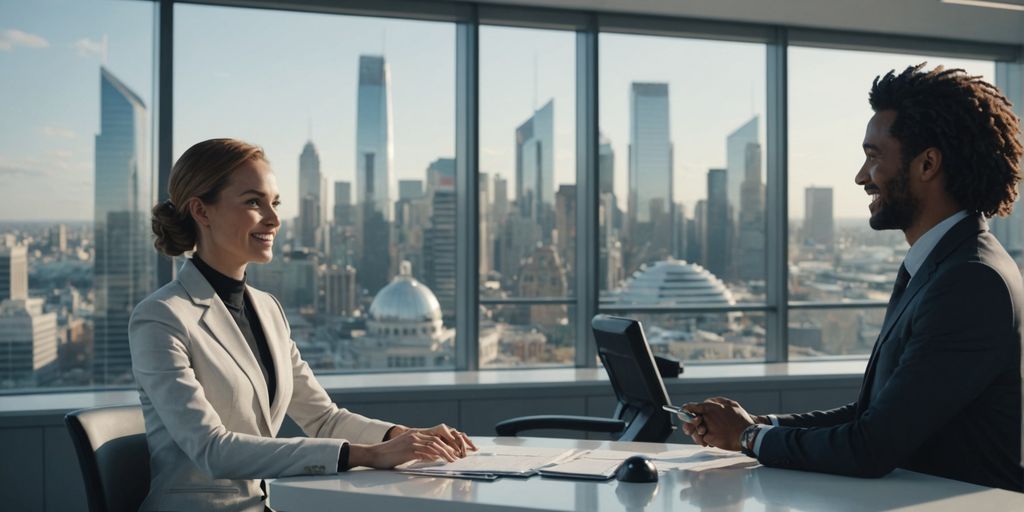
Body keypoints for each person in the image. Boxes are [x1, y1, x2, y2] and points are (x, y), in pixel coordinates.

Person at [680, 64, 1024, 492]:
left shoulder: (971, 280)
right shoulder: (940, 266)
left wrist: (747, 438)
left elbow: (870, 447)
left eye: (874, 157)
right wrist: (758, 425)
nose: (861, 176)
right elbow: (873, 413)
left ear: (928, 164)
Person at [130, 138, 476, 511]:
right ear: (201, 211)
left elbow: (323, 418)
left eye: (274, 203)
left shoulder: (268, 310)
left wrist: (405, 436)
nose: (274, 219)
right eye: (253, 202)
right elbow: (213, 449)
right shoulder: (162, 317)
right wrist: (367, 455)